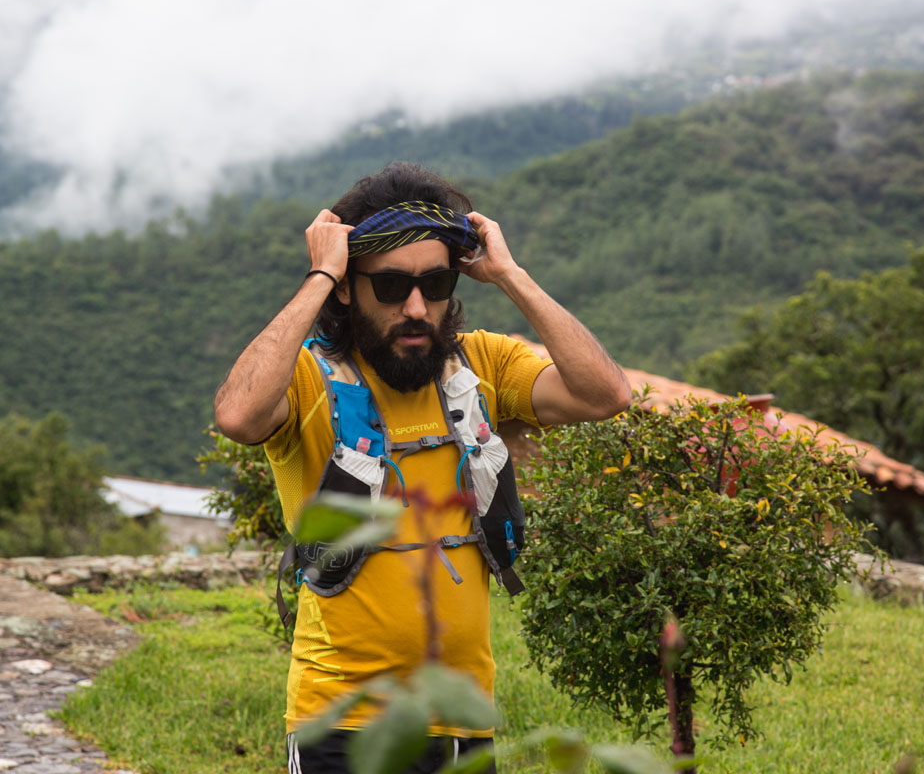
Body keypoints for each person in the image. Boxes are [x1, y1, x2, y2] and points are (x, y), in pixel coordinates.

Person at [214, 163, 631, 773]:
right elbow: (238, 415)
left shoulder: (483, 365)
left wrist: (510, 275)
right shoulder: (310, 380)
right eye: (390, 287)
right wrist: (320, 275)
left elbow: (605, 395)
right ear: (349, 289)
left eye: (435, 284)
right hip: (342, 725)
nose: (416, 307)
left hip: (462, 723)